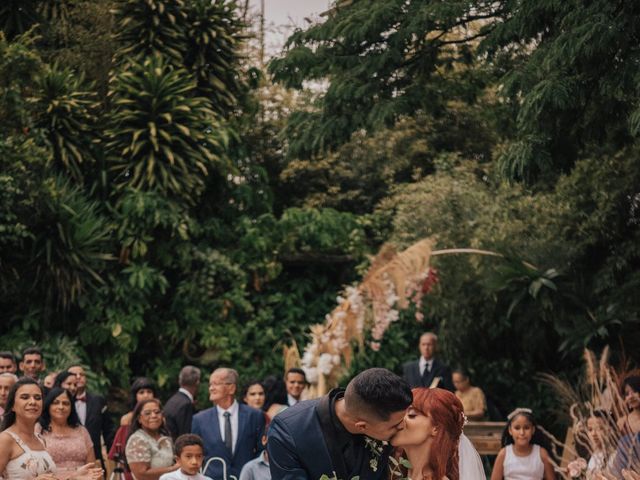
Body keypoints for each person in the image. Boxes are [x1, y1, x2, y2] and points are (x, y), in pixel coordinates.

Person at [267, 367, 413, 480]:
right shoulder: (287, 431)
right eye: (395, 425)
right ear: (362, 426)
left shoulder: (380, 424)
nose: (402, 426)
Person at [0, 377, 102, 480]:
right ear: (12, 405)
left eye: (37, 398)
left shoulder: (40, 439)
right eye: (25, 397)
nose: (33, 402)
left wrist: (72, 477)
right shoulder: (6, 439)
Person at [390, 387, 484, 480]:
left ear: (436, 428)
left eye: (411, 415)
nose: (399, 420)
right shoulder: (394, 471)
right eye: (400, 413)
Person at [191, 368, 266, 480]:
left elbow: (262, 451)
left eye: (216, 384)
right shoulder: (199, 419)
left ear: (231, 388)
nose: (211, 388)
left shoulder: (254, 416)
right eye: (210, 384)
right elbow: (194, 454)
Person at [108, 376, 157, 480]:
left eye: (149, 391)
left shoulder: (159, 418)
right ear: (135, 396)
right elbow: (117, 452)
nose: (146, 395)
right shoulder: (127, 419)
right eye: (141, 392)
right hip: (132, 470)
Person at [68, 364, 114, 470]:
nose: (79, 377)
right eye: (74, 374)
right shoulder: (61, 403)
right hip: (70, 460)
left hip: (96, 459)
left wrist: (111, 454)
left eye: (82, 374)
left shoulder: (98, 400)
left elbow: (108, 429)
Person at [39, 387, 96, 470]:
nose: (61, 407)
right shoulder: (38, 430)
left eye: (65, 403)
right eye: (56, 403)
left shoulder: (81, 431)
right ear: (48, 406)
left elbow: (92, 466)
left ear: (71, 407)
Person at [490, 408, 555, 480]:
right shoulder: (504, 454)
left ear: (533, 430)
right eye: (517, 428)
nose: (522, 433)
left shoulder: (542, 454)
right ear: (510, 430)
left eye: (526, 428)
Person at [125, 398, 178, 480]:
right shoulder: (137, 440)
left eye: (157, 412)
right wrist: (174, 469)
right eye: (147, 413)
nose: (153, 416)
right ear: (139, 418)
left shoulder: (166, 438)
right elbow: (142, 474)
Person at [164, 366, 200, 440]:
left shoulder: (173, 400)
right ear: (197, 382)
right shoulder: (186, 404)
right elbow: (186, 435)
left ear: (180, 381)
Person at [585, 409, 615, 476]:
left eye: (598, 428)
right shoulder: (591, 456)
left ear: (610, 430)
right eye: (590, 429)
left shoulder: (615, 456)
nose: (593, 434)